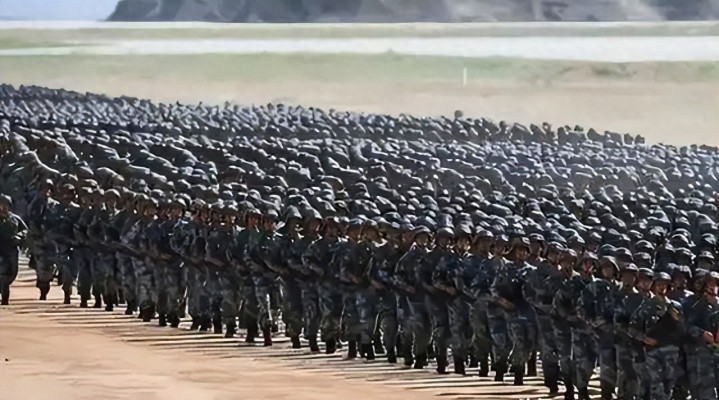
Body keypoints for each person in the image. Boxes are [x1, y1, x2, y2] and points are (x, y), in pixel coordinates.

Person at [630, 272, 685, 400]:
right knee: (656, 385)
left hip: (671, 351)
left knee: (668, 386)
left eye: (664, 284)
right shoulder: (646, 306)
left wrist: (677, 320)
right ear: (654, 286)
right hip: (653, 352)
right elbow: (632, 328)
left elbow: (684, 331)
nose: (661, 287)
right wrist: (643, 338)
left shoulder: (676, 306)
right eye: (659, 284)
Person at [0, 195, 27, 305]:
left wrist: (20, 237)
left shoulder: (15, 219)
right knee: (3, 272)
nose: (3, 207)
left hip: (11, 249)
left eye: (5, 204)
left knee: (12, 273)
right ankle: (4, 296)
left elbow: (25, 230)